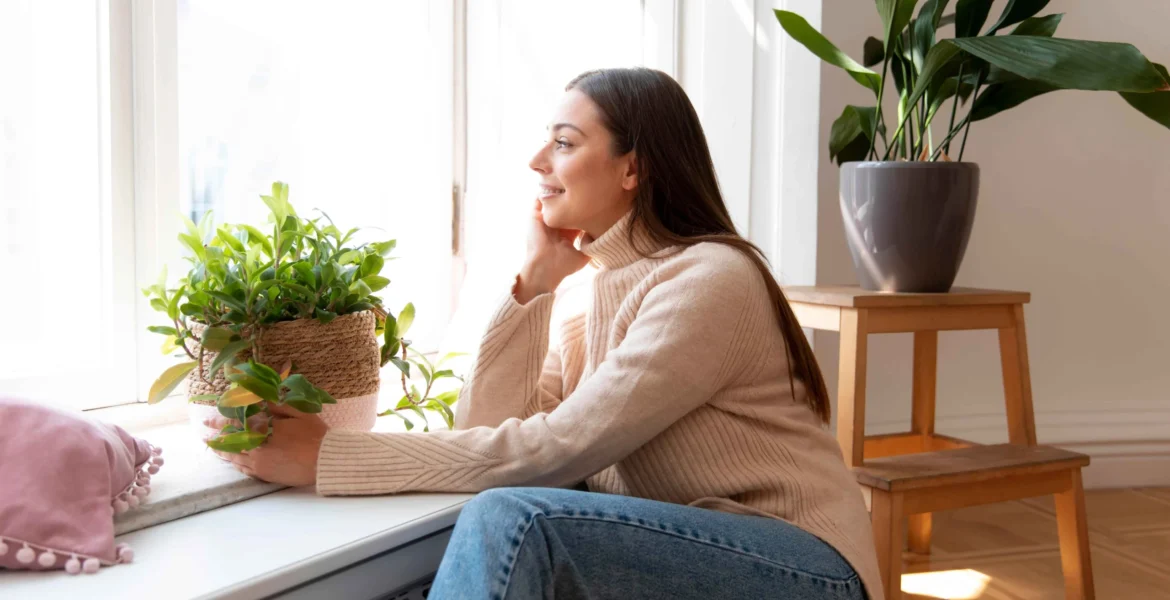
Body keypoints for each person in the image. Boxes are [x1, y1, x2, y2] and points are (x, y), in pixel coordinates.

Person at [210, 68, 882, 600]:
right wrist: (533, 285)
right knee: (502, 514)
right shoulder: (586, 288)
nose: (538, 160)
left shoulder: (709, 279)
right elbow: (495, 424)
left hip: (802, 567)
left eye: (563, 143)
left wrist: (332, 456)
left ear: (633, 168)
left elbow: (554, 453)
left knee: (518, 523)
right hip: (693, 547)